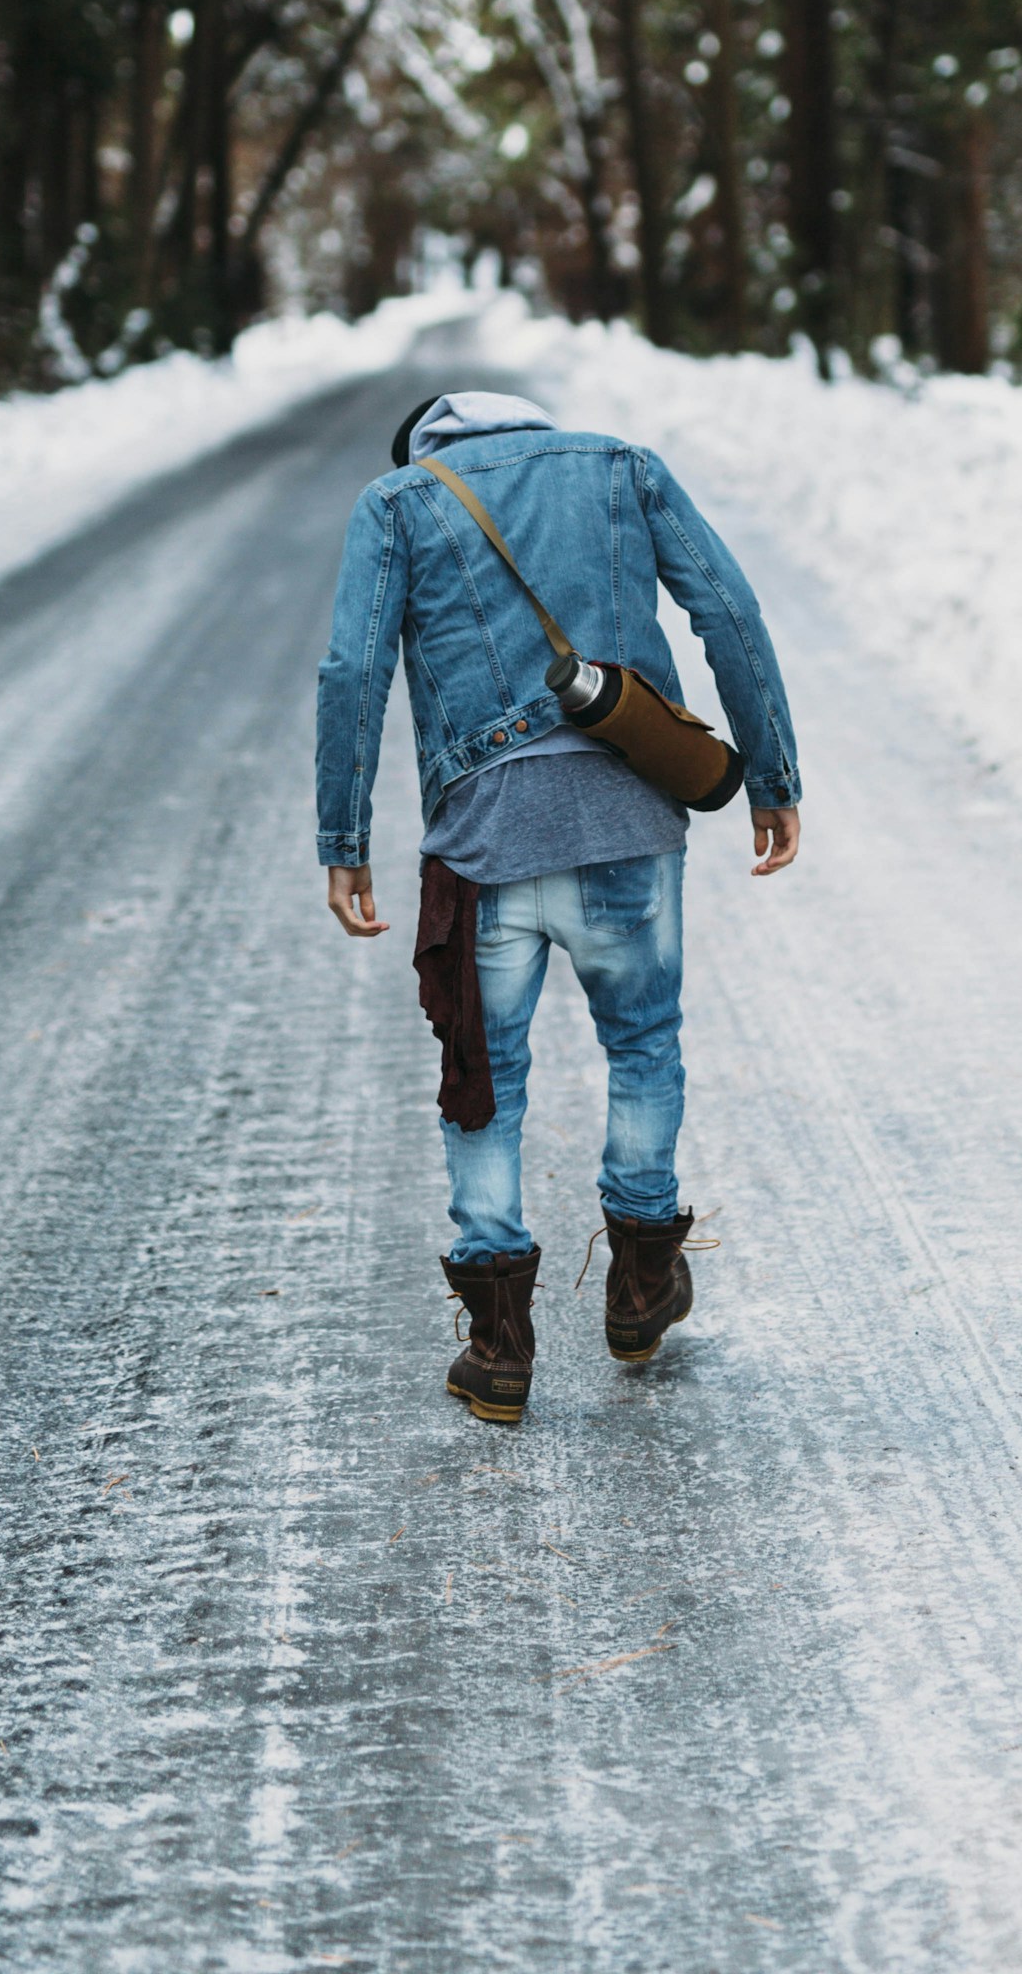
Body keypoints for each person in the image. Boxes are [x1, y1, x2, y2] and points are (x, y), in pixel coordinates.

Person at [316, 388, 801, 1423]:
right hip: (629, 824)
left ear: (431, 446)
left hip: (484, 844)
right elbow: (729, 609)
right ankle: (638, 1284)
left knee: (483, 1076)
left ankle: (498, 1345)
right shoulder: (622, 465)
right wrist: (771, 775)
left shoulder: (398, 501)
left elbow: (352, 668)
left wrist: (343, 840)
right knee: (642, 1046)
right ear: (529, 424)